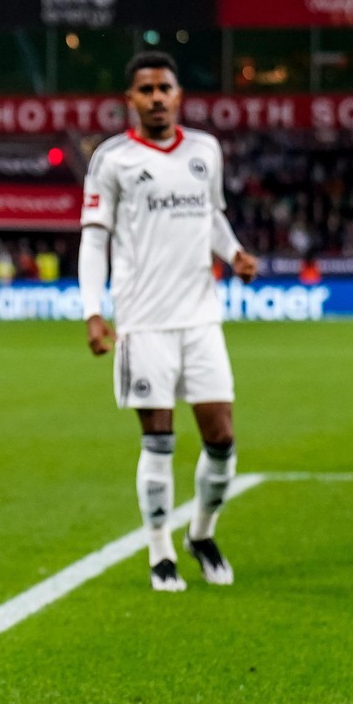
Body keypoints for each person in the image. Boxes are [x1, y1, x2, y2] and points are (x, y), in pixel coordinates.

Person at [78, 52, 258, 592]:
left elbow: (213, 217)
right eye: (146, 89)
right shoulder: (112, 160)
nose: (156, 97)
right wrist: (93, 309)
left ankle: (201, 533)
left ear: (179, 95)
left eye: (165, 88)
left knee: (221, 436)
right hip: (144, 322)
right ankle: (160, 551)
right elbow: (94, 238)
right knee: (159, 439)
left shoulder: (206, 150)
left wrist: (235, 253)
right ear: (129, 100)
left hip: (202, 319)